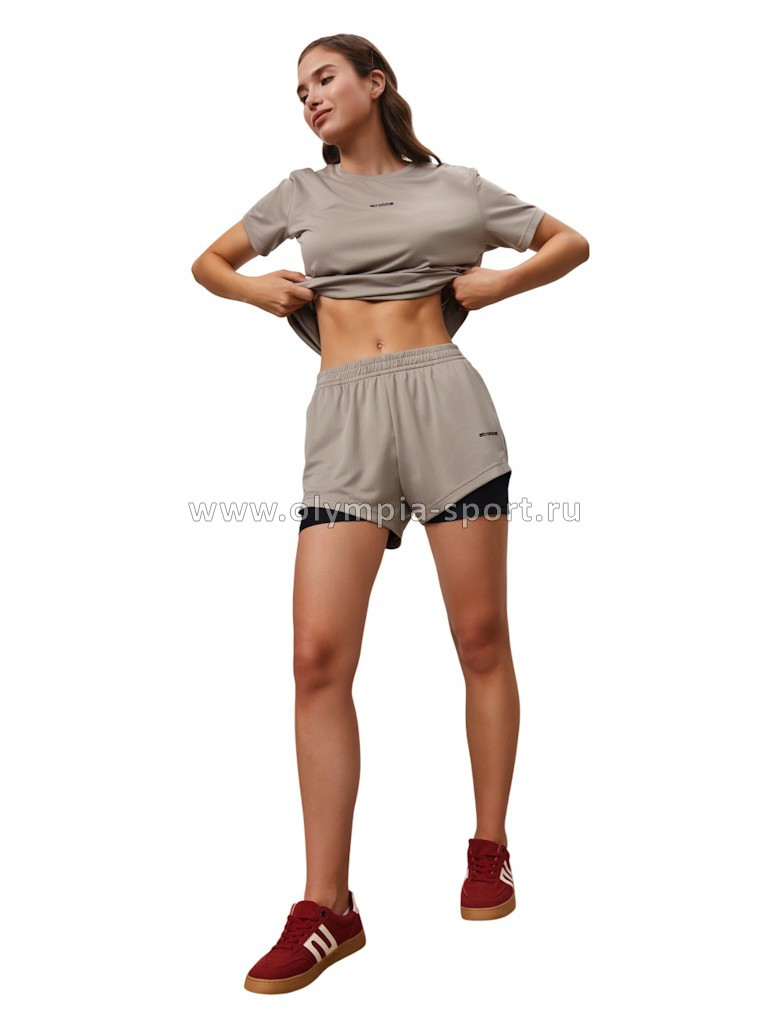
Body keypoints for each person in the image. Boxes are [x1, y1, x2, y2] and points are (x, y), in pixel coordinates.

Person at [191, 34, 589, 995]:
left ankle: (489, 846)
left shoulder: (460, 189)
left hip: (447, 406)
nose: (309, 98)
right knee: (316, 657)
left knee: (480, 636)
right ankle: (328, 906)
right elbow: (207, 261)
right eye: (299, 90)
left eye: (323, 78)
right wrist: (252, 289)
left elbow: (569, 241)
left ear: (376, 84)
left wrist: (504, 280)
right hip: (344, 419)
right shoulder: (299, 192)